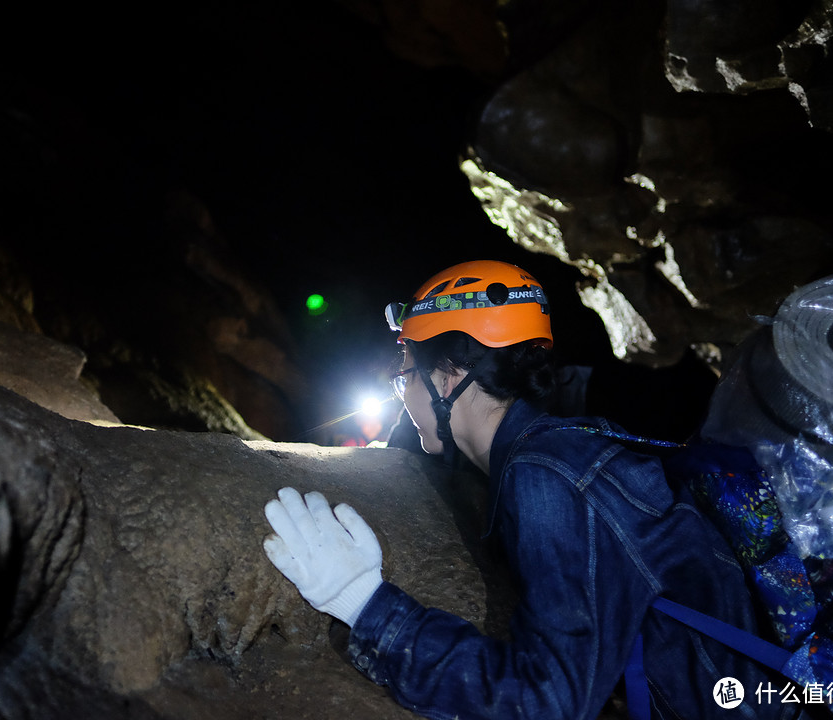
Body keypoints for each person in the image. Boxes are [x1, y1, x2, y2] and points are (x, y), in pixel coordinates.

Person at [262, 260, 795, 720]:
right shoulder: (559, 450)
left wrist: (365, 606)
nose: (400, 394)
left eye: (403, 373)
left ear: (450, 373)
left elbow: (547, 702)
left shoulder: (548, 475)